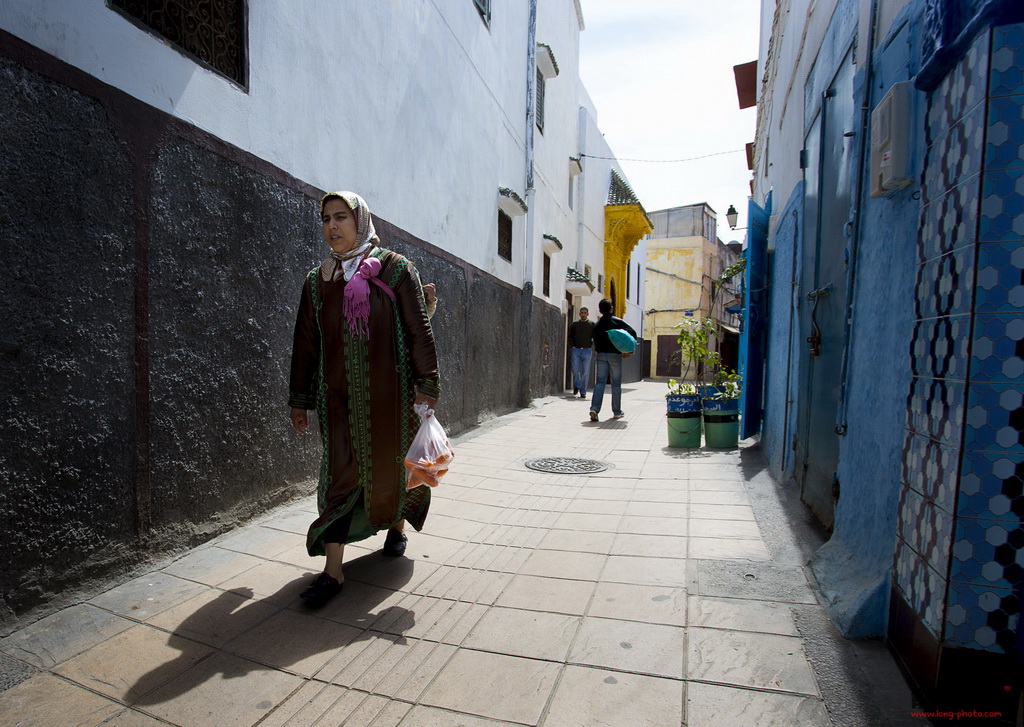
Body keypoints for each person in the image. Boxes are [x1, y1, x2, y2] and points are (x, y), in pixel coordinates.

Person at [289, 190, 440, 606]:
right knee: (338, 478)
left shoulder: (395, 269)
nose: (332, 226)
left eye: (341, 217)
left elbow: (418, 330)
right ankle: (333, 572)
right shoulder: (318, 281)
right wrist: (300, 398)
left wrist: (427, 386)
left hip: (392, 399)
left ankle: (396, 528)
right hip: (337, 400)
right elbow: (306, 342)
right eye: (326, 219)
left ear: (360, 220)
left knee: (391, 470)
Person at [589, 298, 636, 422]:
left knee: (600, 382)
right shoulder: (617, 321)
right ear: (611, 308)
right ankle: (617, 411)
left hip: (601, 355)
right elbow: (632, 332)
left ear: (600, 310)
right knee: (615, 383)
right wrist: (629, 350)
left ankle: (594, 409)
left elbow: (595, 340)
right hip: (615, 355)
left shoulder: (597, 325)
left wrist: (597, 350)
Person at [568, 307, 595, 399]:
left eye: (585, 313)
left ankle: (583, 391)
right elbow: (570, 336)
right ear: (579, 314)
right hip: (576, 350)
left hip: (587, 350)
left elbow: (595, 336)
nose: (583, 314)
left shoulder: (591, 324)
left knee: (585, 372)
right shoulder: (575, 324)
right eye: (582, 313)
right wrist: (572, 345)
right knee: (575, 369)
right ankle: (577, 385)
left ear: (588, 314)